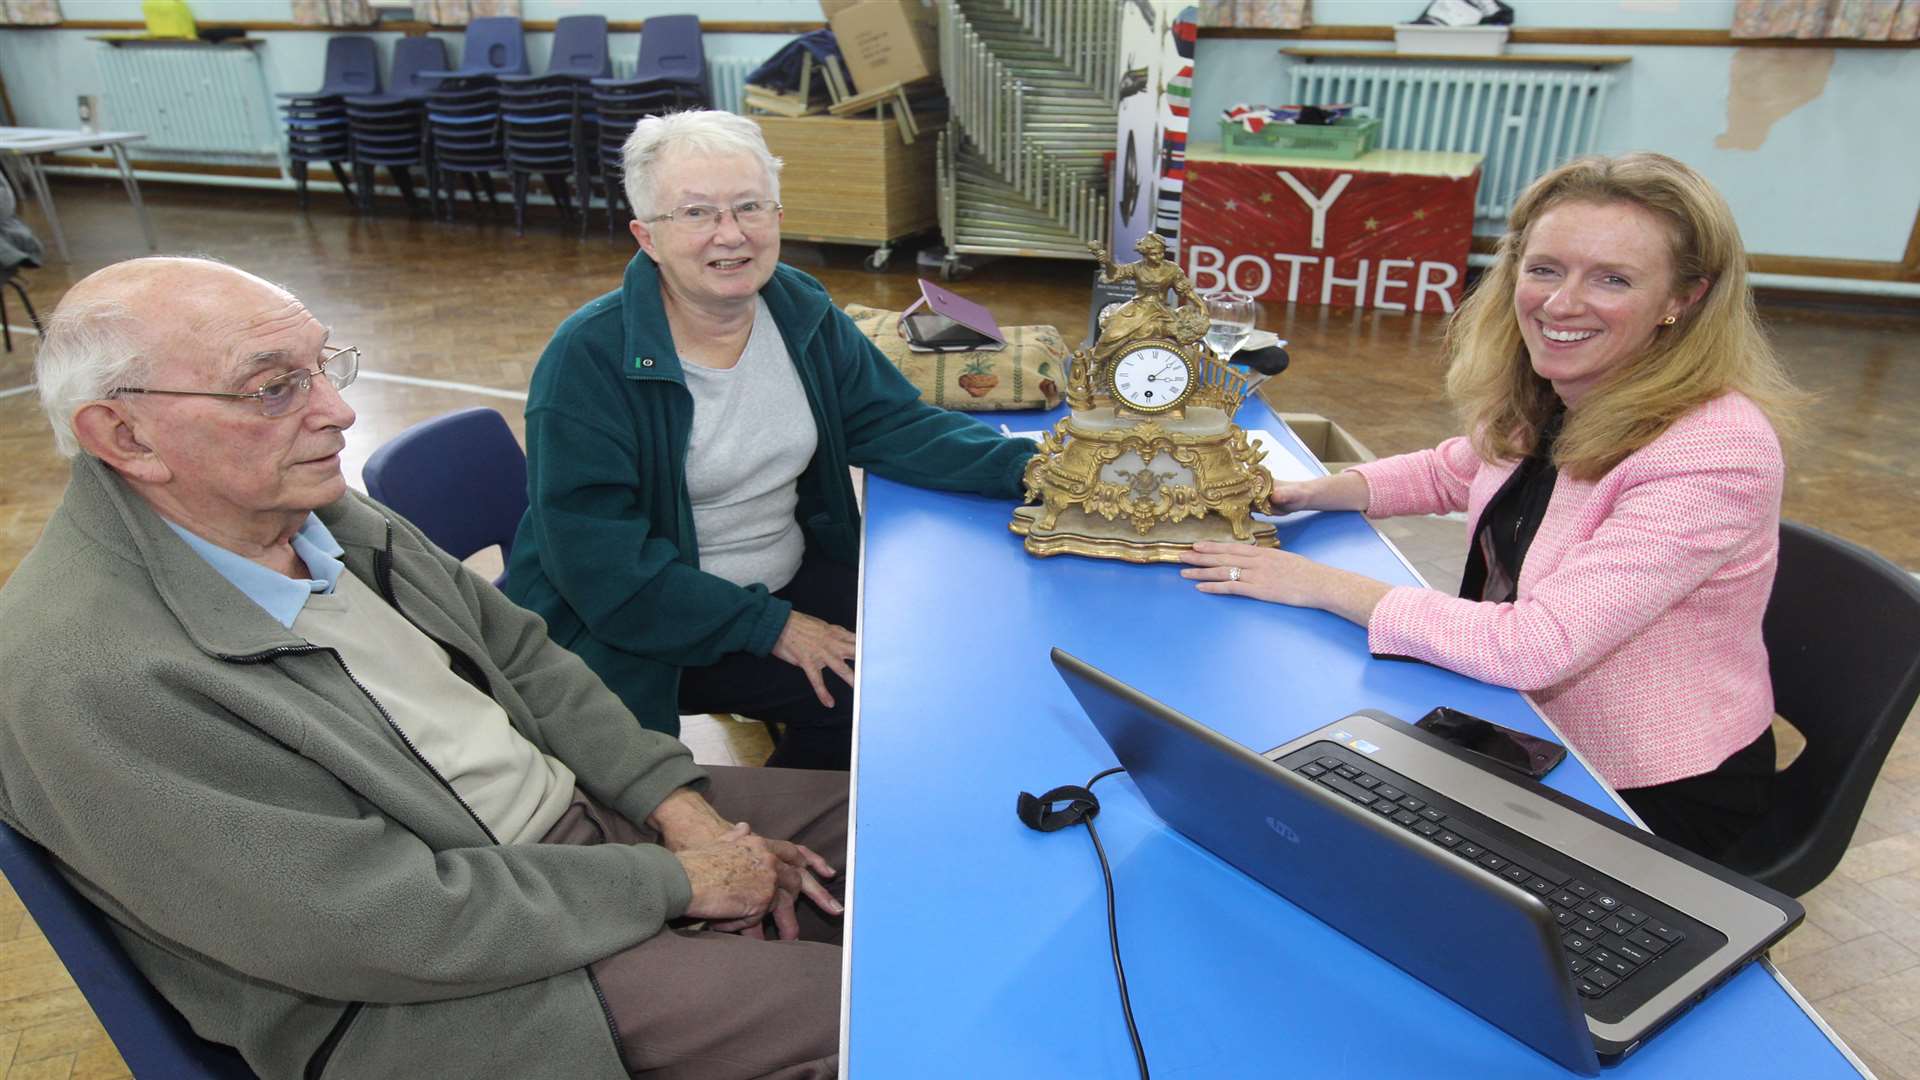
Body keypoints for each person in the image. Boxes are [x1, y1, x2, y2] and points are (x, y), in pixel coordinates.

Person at [0, 256, 852, 1080]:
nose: (335, 410)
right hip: (446, 991)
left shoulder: (317, 509)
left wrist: (673, 805)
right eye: (273, 387)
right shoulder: (85, 674)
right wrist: (674, 883)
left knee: (908, 827)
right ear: (124, 435)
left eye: (323, 364)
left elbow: (523, 655)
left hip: (573, 835)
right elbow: (373, 922)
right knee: (876, 1016)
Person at [1179, 153, 1804, 860]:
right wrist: (1317, 490)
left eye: (1613, 279)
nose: (1561, 304)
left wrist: (1317, 583)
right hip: (1518, 724)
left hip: (1644, 785)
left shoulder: (1714, 451)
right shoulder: (1568, 385)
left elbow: (1535, 646)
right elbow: (1464, 469)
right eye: (1544, 269)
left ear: (1683, 299)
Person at [503, 110, 1035, 771]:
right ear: (647, 237)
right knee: (873, 702)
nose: (731, 233)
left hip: (783, 573)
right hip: (644, 624)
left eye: (749, 205)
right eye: (696, 214)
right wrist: (773, 628)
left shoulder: (794, 304)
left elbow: (888, 420)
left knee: (946, 639)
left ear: (777, 214)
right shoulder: (588, 359)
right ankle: (786, 845)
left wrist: (1035, 468)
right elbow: (603, 569)